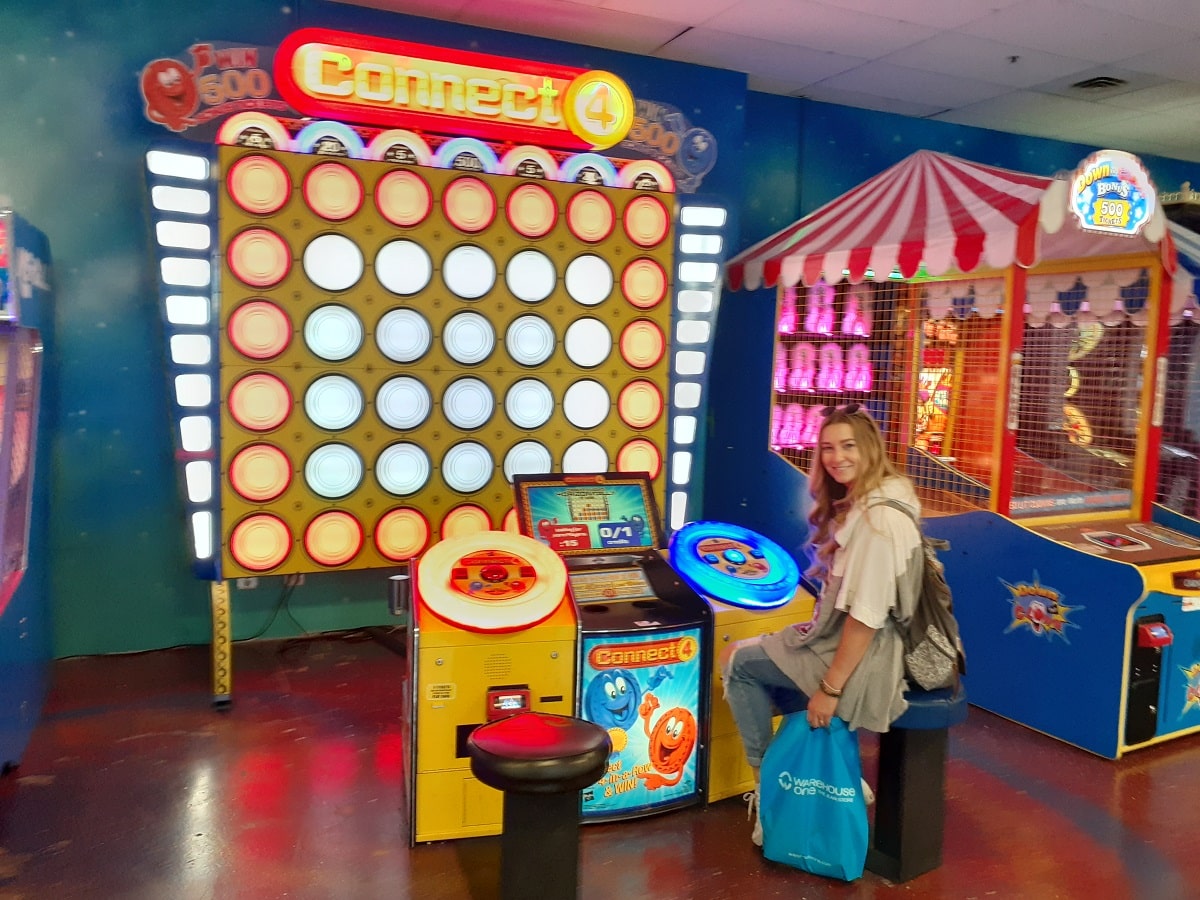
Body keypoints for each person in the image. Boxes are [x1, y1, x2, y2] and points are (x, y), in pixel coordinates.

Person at [720, 403, 924, 846]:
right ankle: (838, 770)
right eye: (828, 448)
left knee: (739, 664)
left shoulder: (877, 520)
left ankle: (770, 784)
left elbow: (866, 618)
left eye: (849, 446)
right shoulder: (888, 496)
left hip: (862, 657)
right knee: (763, 655)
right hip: (856, 644)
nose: (837, 458)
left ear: (871, 447)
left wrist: (830, 691)